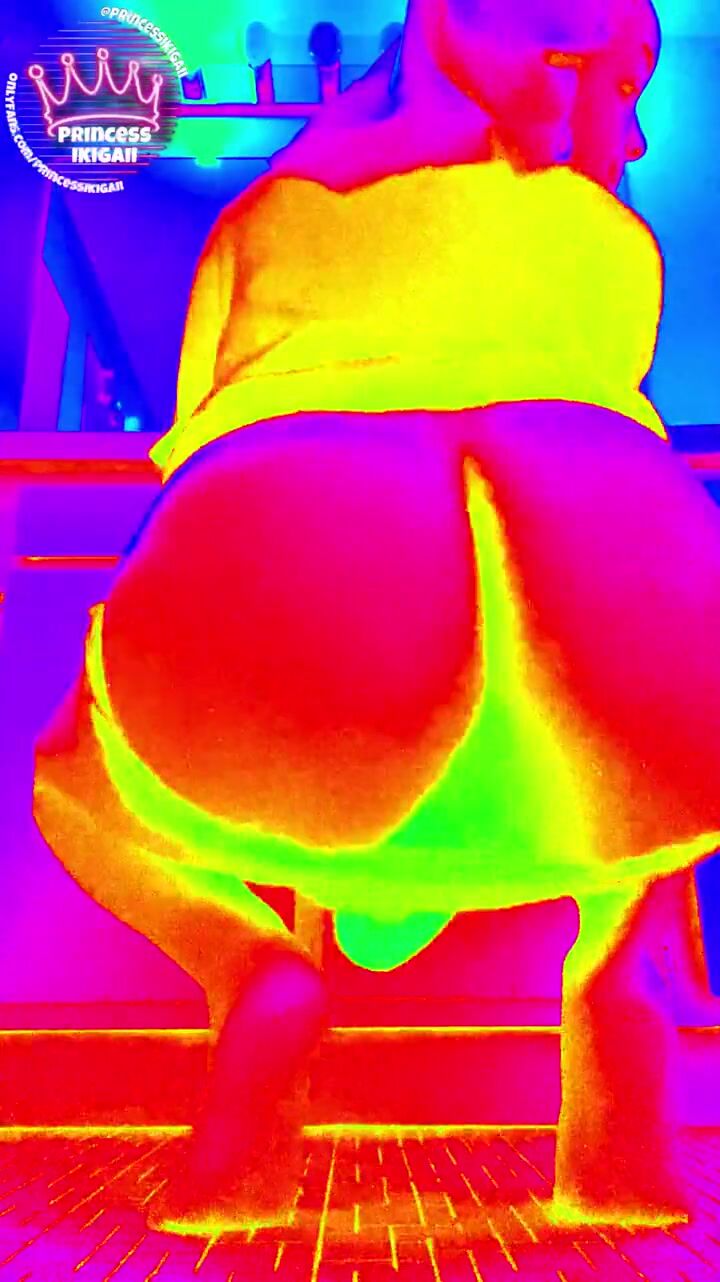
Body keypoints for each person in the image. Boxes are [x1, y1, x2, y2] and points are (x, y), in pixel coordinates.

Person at [32, 0, 720, 1234]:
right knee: (654, 743)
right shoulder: (618, 244)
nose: (629, 135)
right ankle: (623, 992)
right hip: (612, 577)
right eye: (620, 88)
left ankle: (253, 975)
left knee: (76, 779)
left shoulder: (263, 220)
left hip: (323, 561)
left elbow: (187, 446)